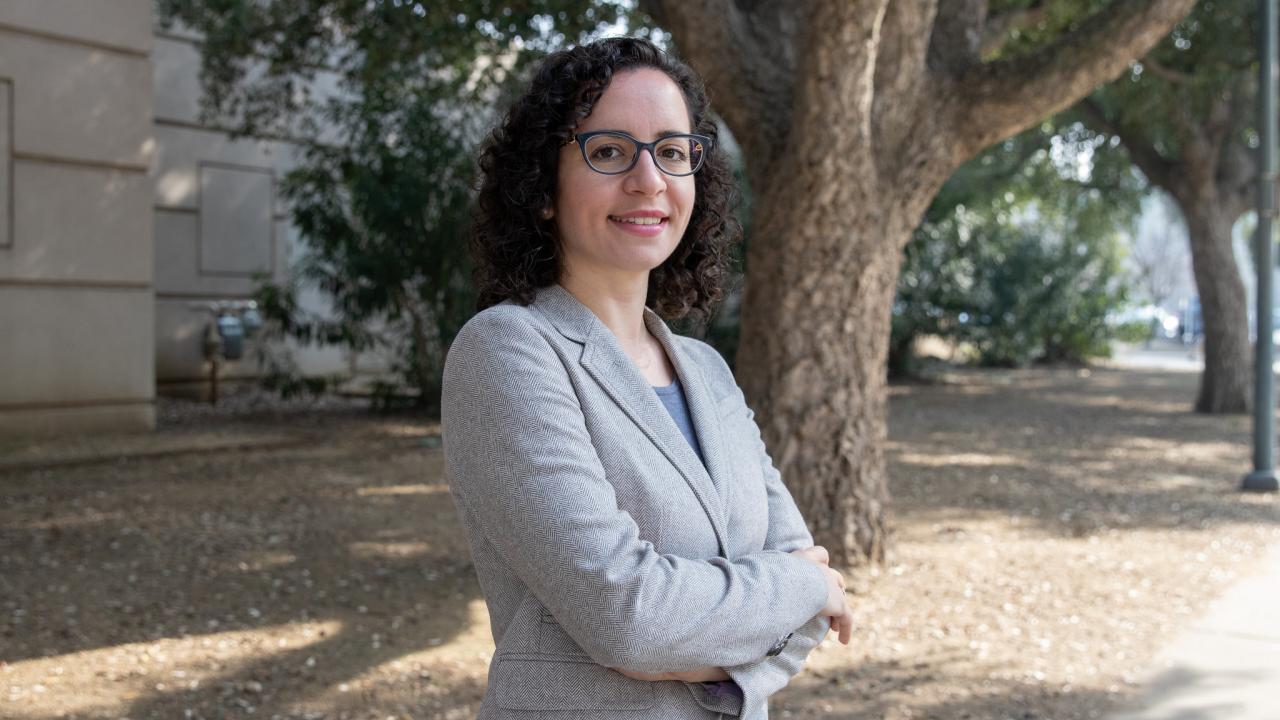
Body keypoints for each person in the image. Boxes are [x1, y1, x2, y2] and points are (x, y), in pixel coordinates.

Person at [442, 36, 853, 720]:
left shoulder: (707, 371)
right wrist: (797, 589)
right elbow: (627, 615)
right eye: (608, 152)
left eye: (671, 151)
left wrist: (712, 645)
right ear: (543, 190)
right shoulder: (508, 351)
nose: (649, 180)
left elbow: (804, 596)